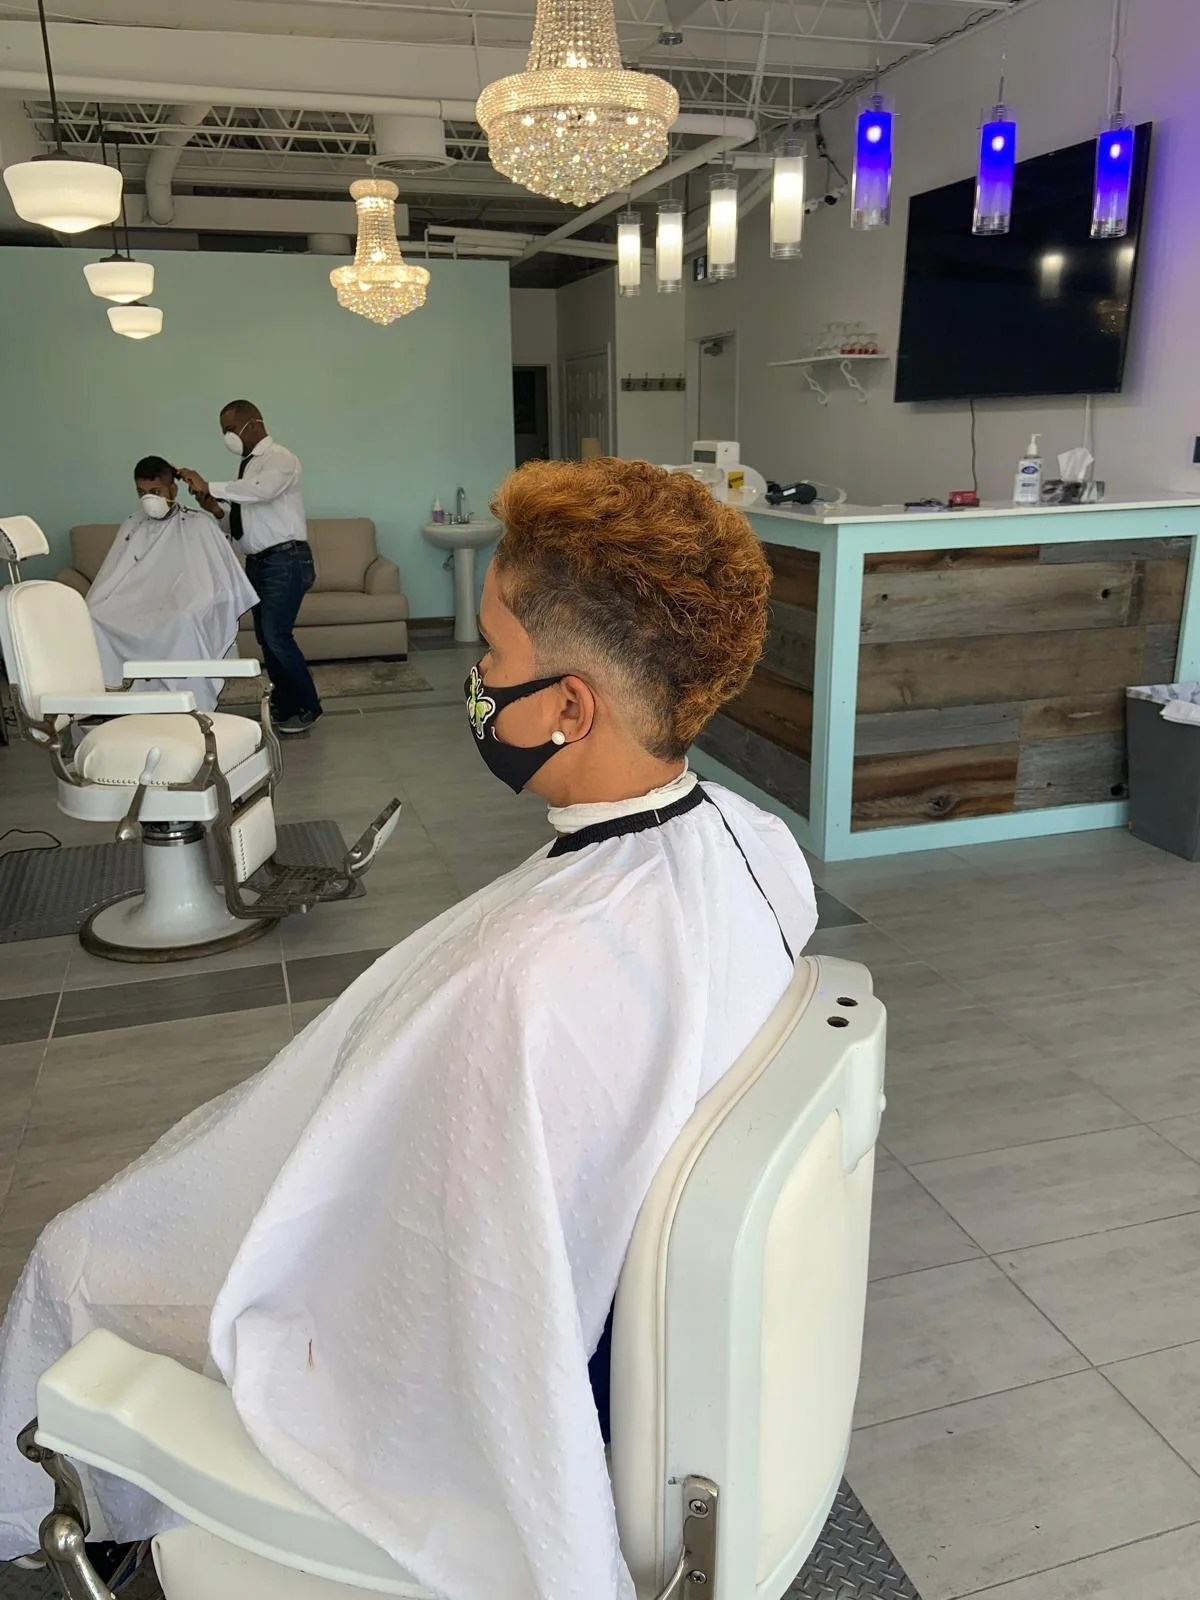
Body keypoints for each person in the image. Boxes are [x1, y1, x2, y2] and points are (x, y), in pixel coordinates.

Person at [0, 459, 818, 1600]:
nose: (476, 681)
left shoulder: (531, 981)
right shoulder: (757, 845)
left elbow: (423, 1291)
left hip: (448, 1349)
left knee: (77, 1263)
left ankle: (76, 1502)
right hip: (621, 1305)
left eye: (493, 656)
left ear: (570, 708)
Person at [176, 401, 322, 736]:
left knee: (276, 636)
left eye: (230, 428)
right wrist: (216, 510)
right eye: (223, 431)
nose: (227, 436)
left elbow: (262, 492)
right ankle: (286, 703)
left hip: (286, 560)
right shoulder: (247, 467)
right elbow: (244, 528)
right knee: (267, 639)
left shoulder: (279, 459)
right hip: (260, 563)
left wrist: (210, 485)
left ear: (253, 423)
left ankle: (307, 707)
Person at [84, 455, 257, 713]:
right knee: (93, 615)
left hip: (181, 603)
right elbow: (113, 576)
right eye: (141, 493)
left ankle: (187, 699)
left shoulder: (197, 523)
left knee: (184, 620)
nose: (148, 499)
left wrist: (191, 603)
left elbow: (216, 582)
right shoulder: (133, 524)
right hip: (137, 602)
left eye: (155, 491)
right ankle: (114, 697)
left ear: (173, 490)